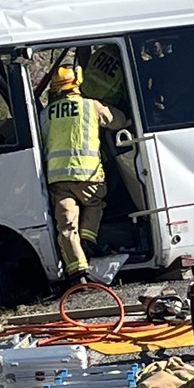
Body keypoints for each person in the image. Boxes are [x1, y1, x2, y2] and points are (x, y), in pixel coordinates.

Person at [41, 63, 129, 285]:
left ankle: (78, 273)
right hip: (89, 178)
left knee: (67, 226)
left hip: (58, 181)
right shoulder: (91, 106)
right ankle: (89, 239)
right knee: (95, 205)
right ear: (77, 82)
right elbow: (117, 120)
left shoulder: (46, 114)